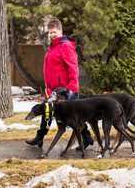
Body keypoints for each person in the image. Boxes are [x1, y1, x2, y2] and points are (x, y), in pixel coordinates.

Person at [25, 18, 93, 149]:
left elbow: (73, 68)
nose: (52, 35)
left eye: (54, 32)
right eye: (50, 32)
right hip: (52, 89)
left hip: (63, 91)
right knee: (47, 111)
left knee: (73, 117)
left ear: (60, 30)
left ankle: (86, 137)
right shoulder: (53, 46)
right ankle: (40, 137)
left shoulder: (65, 46)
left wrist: (71, 90)